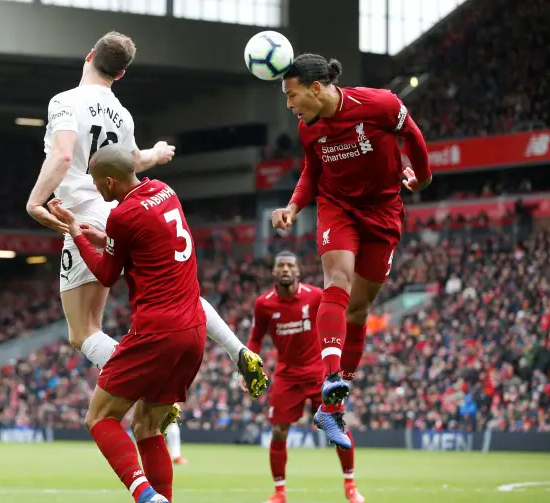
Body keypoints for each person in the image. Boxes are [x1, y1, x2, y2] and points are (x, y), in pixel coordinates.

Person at [25, 31, 266, 412]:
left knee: (83, 331)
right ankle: (239, 350)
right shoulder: (121, 113)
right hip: (123, 212)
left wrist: (35, 201)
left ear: (89, 56)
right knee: (179, 296)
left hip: (87, 216)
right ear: (121, 75)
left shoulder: (65, 101)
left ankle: (147, 388)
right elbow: (129, 163)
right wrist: (154, 153)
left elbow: (62, 154)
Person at [48, 144, 261, 503]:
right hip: (194, 330)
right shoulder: (165, 191)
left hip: (157, 331)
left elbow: (104, 274)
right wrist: (107, 240)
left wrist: (74, 230)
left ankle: (145, 495)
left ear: (111, 181)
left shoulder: (123, 215)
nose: (99, 192)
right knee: (146, 426)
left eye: (100, 185)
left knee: (99, 418)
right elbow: (145, 244)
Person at [271, 54, 431, 448]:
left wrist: (422, 177)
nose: (289, 105)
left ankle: (331, 411)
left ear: (315, 89)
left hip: (384, 211)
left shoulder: (380, 105)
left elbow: (412, 134)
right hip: (337, 207)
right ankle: (330, 378)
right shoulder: (308, 129)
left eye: (292, 96)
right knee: (337, 281)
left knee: (360, 308)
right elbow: (312, 170)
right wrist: (294, 206)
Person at [248, 252, 365, 503]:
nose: (286, 270)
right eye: (281, 266)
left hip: (318, 375)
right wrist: (248, 367)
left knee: (338, 426)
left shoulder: (316, 296)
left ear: (298, 271)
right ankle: (279, 492)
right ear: (274, 272)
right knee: (279, 432)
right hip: (286, 376)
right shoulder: (263, 304)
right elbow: (256, 338)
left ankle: (350, 485)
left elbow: (335, 322)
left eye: (290, 265)